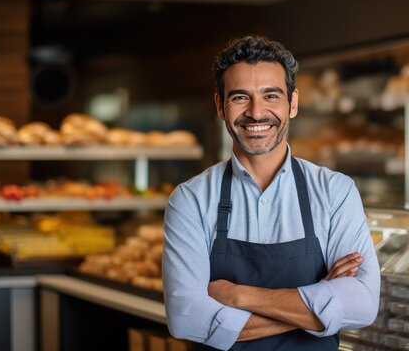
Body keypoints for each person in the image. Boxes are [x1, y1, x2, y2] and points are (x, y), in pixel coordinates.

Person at [162, 35, 380, 351]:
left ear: (292, 103)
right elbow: (187, 318)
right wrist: (321, 298)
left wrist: (240, 296)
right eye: (239, 97)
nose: (256, 112)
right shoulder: (190, 200)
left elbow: (361, 304)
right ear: (219, 106)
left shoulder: (335, 191)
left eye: (271, 96)